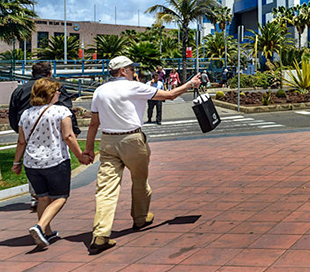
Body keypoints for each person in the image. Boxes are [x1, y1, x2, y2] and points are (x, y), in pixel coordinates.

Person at [83, 55, 201, 255]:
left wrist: (87, 149)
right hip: (132, 139)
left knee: (105, 188)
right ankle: (140, 217)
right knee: (139, 179)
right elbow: (170, 95)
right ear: (122, 71)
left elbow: (94, 124)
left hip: (108, 141)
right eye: (130, 68)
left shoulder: (99, 91)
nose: (133, 72)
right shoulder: (133, 87)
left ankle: (101, 233)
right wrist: (191, 83)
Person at [11, 78, 91, 248]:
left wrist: (16, 162)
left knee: (42, 197)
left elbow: (21, 141)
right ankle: (40, 226)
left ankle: (46, 233)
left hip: (31, 163)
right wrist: (80, 156)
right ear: (49, 94)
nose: (59, 93)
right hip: (55, 160)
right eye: (56, 91)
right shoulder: (61, 111)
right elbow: (69, 137)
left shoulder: (26, 114)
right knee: (60, 197)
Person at [8, 61, 81, 211]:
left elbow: (13, 114)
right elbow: (67, 112)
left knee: (36, 172)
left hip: (28, 134)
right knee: (59, 194)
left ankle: (37, 195)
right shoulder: (56, 92)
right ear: (49, 74)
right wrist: (74, 131)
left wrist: (22, 131)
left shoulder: (20, 91)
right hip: (53, 144)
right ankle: (42, 223)